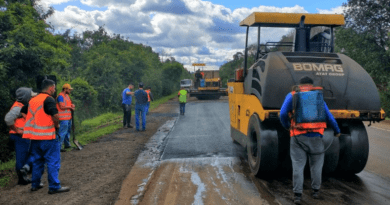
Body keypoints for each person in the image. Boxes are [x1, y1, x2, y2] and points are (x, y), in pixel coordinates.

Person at [280, 76, 340, 204]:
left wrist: (287, 126)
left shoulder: (293, 95)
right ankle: (316, 191)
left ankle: (297, 195)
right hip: (316, 137)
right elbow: (329, 117)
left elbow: (283, 113)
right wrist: (337, 131)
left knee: (298, 166)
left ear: (300, 85)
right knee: (316, 166)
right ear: (311, 85)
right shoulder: (318, 97)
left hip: (298, 136)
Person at [22, 79, 70, 194]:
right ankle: (54, 186)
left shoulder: (33, 100)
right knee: (53, 161)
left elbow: (23, 111)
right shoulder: (49, 99)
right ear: (50, 88)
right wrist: (57, 125)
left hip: (34, 137)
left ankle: (35, 184)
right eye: (54, 88)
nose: (54, 90)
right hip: (48, 137)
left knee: (38, 161)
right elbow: (55, 115)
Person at [4, 87, 37, 185]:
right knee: (21, 157)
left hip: (22, 136)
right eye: (30, 96)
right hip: (19, 136)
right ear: (24, 97)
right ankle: (22, 179)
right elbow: (8, 119)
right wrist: (17, 130)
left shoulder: (21, 105)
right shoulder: (18, 107)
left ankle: (25, 174)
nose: (31, 98)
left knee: (27, 154)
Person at [56, 83, 75, 152]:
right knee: (62, 132)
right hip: (63, 118)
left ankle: (67, 144)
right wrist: (70, 107)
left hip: (68, 117)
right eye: (69, 89)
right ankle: (59, 147)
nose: (70, 91)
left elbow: (68, 104)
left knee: (67, 132)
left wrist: (72, 105)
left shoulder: (67, 96)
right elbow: (61, 106)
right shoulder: (60, 96)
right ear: (65, 89)